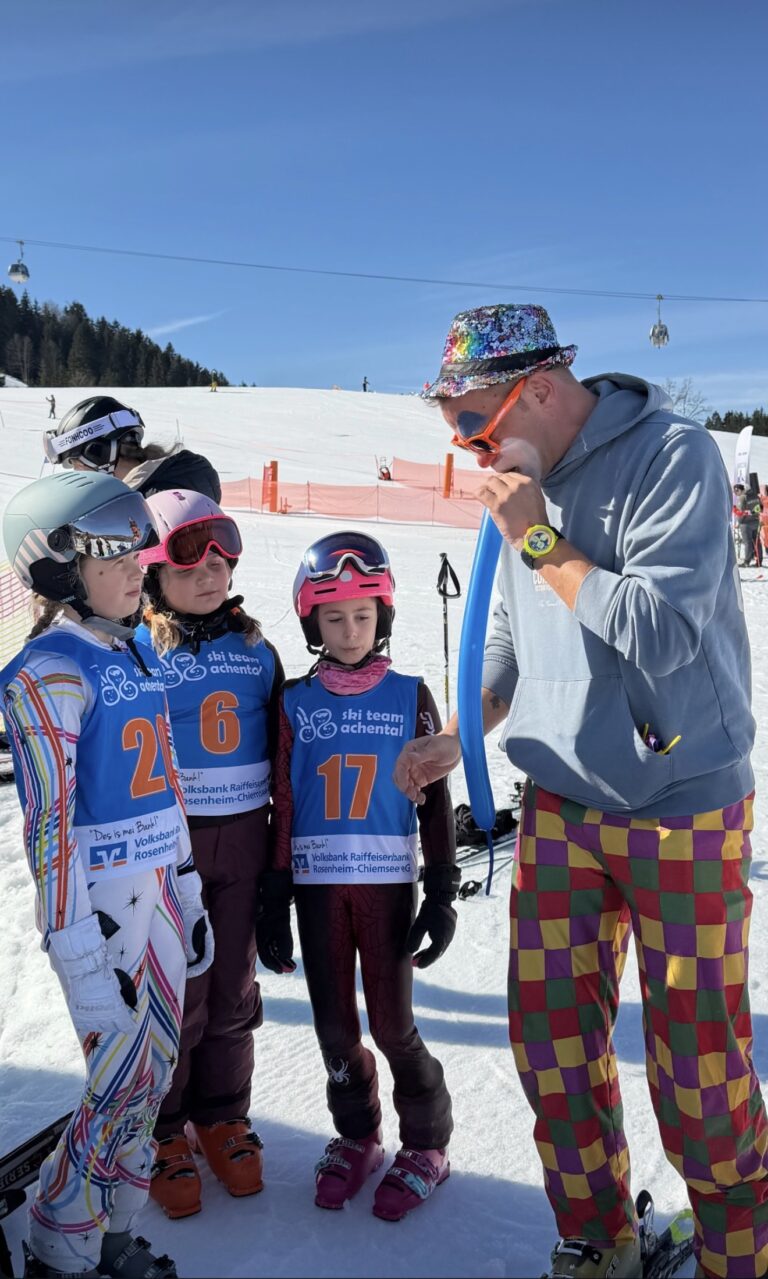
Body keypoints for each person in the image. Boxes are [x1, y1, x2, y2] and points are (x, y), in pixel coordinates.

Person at [394, 303, 768, 1279]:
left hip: (681, 799)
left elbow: (660, 630)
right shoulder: (530, 485)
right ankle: (600, 1239)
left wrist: (538, 539)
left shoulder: (671, 456)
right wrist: (460, 730)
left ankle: (740, 1248)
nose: (470, 449)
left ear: (546, 390)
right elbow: (516, 636)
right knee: (553, 1042)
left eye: (476, 425)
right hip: (562, 802)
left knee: (696, 1063)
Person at [0, 471, 213, 1279]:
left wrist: (188, 887)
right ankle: (62, 1232)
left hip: (158, 891)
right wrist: (78, 954)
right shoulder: (48, 669)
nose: (136, 569)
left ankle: (111, 1227)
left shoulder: (134, 650)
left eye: (136, 551)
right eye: (110, 556)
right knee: (118, 1080)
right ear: (60, 570)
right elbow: (48, 826)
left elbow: (168, 783)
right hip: (103, 908)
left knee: (152, 1077)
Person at [266, 531, 459, 1220]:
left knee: (393, 1022)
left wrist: (441, 890)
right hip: (318, 890)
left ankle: (428, 1143)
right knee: (332, 1025)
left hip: (384, 886)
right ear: (311, 621)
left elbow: (435, 800)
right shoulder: (293, 701)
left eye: (363, 616)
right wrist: (273, 892)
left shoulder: (410, 694)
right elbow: (283, 801)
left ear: (384, 618)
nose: (349, 631)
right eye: (334, 617)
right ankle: (357, 1135)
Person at [134, 490, 284, 1218]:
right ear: (155, 568)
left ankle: (223, 1115)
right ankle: (163, 1129)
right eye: (191, 553)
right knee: (179, 996)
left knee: (232, 987)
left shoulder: (258, 649)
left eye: (223, 548)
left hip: (245, 840)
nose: (212, 567)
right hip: (169, 845)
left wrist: (284, 863)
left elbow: (286, 754)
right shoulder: (139, 649)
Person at [42, 396, 221, 502]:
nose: (77, 472)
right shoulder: (173, 478)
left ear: (99, 453)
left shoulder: (151, 503)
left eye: (76, 463)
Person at [732, 483, 762, 568]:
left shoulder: (742, 497)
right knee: (757, 541)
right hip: (756, 521)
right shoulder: (755, 496)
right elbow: (760, 507)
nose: (735, 492)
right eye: (734, 491)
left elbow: (740, 513)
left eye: (737, 490)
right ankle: (759, 560)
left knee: (747, 542)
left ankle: (747, 561)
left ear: (742, 489)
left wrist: (739, 522)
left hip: (746, 523)